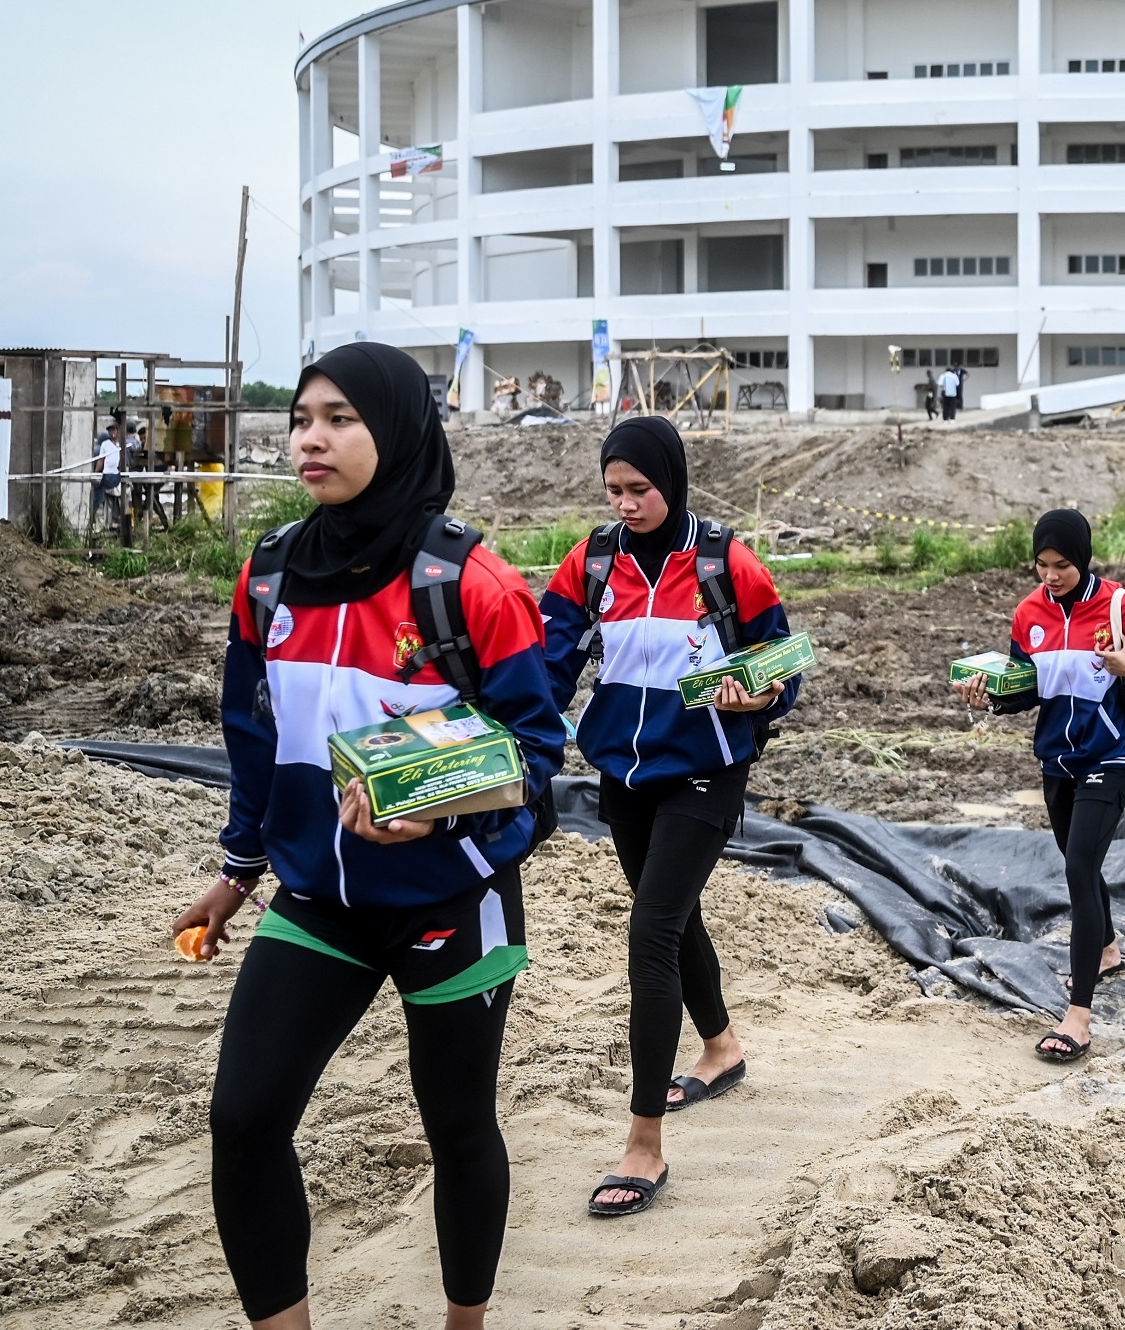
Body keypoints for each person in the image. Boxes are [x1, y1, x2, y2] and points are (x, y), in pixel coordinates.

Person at [176, 342, 567, 1330]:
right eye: (303, 416)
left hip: (452, 901)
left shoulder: (470, 582)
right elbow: (254, 736)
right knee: (244, 1117)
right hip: (317, 901)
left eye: (341, 417)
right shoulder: (267, 579)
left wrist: (441, 809)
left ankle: (463, 1322)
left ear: (394, 431)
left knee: (458, 1125)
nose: (312, 435)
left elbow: (537, 759)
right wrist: (236, 871)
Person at [540, 415, 802, 1218]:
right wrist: (513, 745)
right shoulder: (590, 562)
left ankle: (643, 1143)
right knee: (672, 916)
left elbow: (782, 661)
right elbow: (549, 662)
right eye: (614, 490)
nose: (626, 504)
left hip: (707, 769)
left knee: (650, 930)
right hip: (623, 771)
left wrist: (759, 691)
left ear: (673, 482)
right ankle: (721, 1047)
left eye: (640, 489)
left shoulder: (727, 563)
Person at [952, 510, 1125, 1063]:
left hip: (1112, 752)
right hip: (1057, 758)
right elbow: (1027, 688)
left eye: (1062, 565)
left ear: (1083, 560)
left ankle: (1078, 1016)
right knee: (1075, 856)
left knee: (1079, 867)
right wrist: (992, 698)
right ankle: (1106, 948)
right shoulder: (1028, 614)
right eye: (1042, 565)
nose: (1051, 575)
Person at [93, 418, 126, 536]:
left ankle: (123, 524)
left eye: (113, 430)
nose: (112, 433)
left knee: (122, 501)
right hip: (108, 475)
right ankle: (109, 525)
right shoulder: (105, 445)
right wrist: (97, 473)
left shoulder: (123, 444)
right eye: (110, 431)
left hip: (120, 476)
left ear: (118, 431)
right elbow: (101, 460)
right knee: (108, 502)